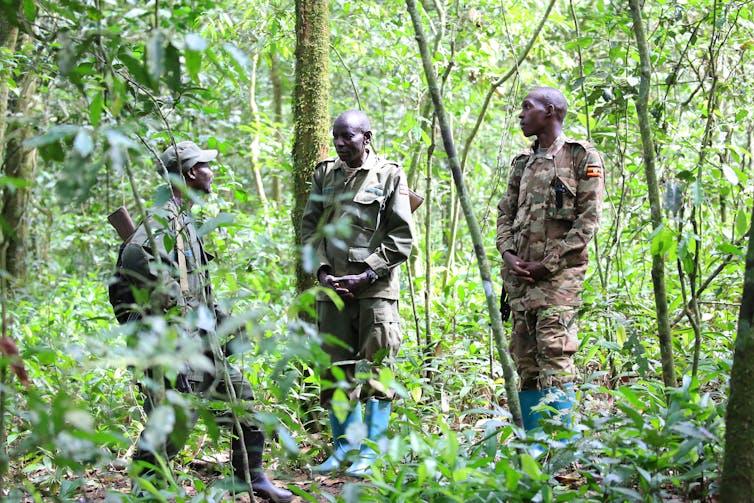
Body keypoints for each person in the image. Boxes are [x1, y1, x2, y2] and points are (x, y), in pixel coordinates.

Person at [118, 140, 292, 502]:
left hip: (203, 342)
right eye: (206, 166)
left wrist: (227, 326)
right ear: (191, 173)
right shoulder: (156, 226)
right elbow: (127, 295)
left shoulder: (183, 220)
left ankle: (250, 477)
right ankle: (144, 493)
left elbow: (195, 290)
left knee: (242, 402)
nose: (212, 171)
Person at [300, 110, 414, 476]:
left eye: (347, 137)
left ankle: (371, 452)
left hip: (374, 293)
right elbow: (309, 228)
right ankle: (343, 449)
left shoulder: (390, 175)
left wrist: (367, 275)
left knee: (377, 370)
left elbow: (402, 237)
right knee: (335, 372)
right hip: (332, 292)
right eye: (336, 137)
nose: (339, 144)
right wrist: (322, 271)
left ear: (367, 137)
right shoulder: (324, 175)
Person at [496, 87, 604, 443]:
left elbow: (587, 222)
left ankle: (561, 453)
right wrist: (509, 255)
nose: (521, 114)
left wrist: (548, 263)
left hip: (558, 283)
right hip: (520, 282)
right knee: (525, 364)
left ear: (551, 112)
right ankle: (534, 447)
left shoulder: (580, 156)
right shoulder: (521, 164)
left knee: (555, 360)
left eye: (528, 107)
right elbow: (505, 215)